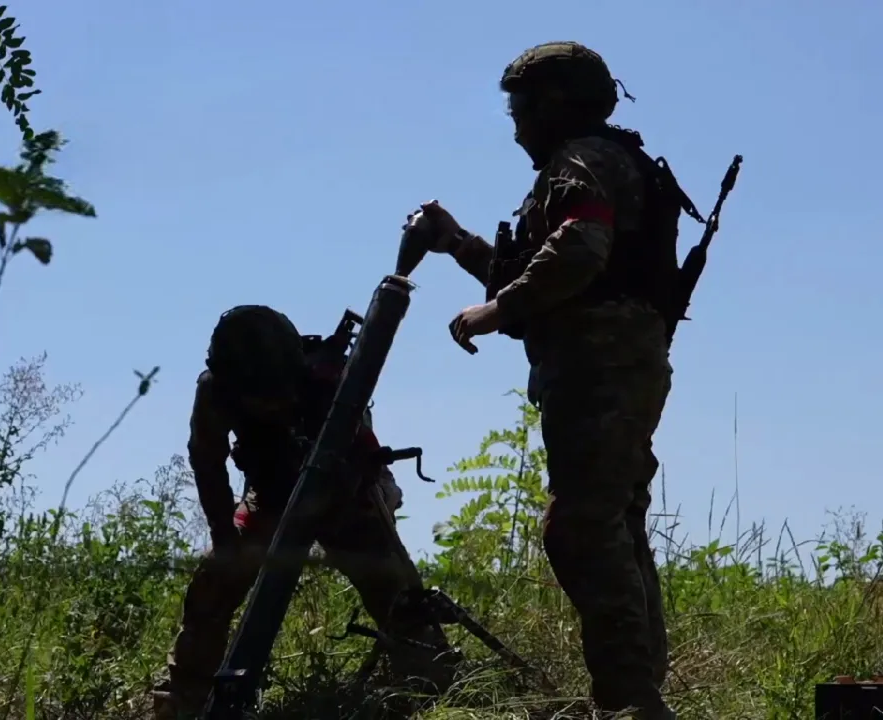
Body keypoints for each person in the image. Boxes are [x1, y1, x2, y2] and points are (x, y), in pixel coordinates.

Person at [406, 42, 681, 719]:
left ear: (552, 106)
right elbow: (551, 268)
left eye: (520, 110)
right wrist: (461, 243)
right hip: (616, 367)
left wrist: (498, 311)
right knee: (613, 525)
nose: (515, 127)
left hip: (600, 370)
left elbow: (579, 252)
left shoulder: (580, 161)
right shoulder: (613, 160)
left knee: (582, 528)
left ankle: (630, 703)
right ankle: (638, 694)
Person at [152, 305, 454, 719]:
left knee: (395, 590)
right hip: (270, 494)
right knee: (214, 582)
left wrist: (358, 500)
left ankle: (429, 689)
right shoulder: (216, 390)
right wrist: (225, 540)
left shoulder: (330, 380)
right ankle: (184, 702)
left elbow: (364, 455)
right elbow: (207, 462)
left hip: (344, 489)